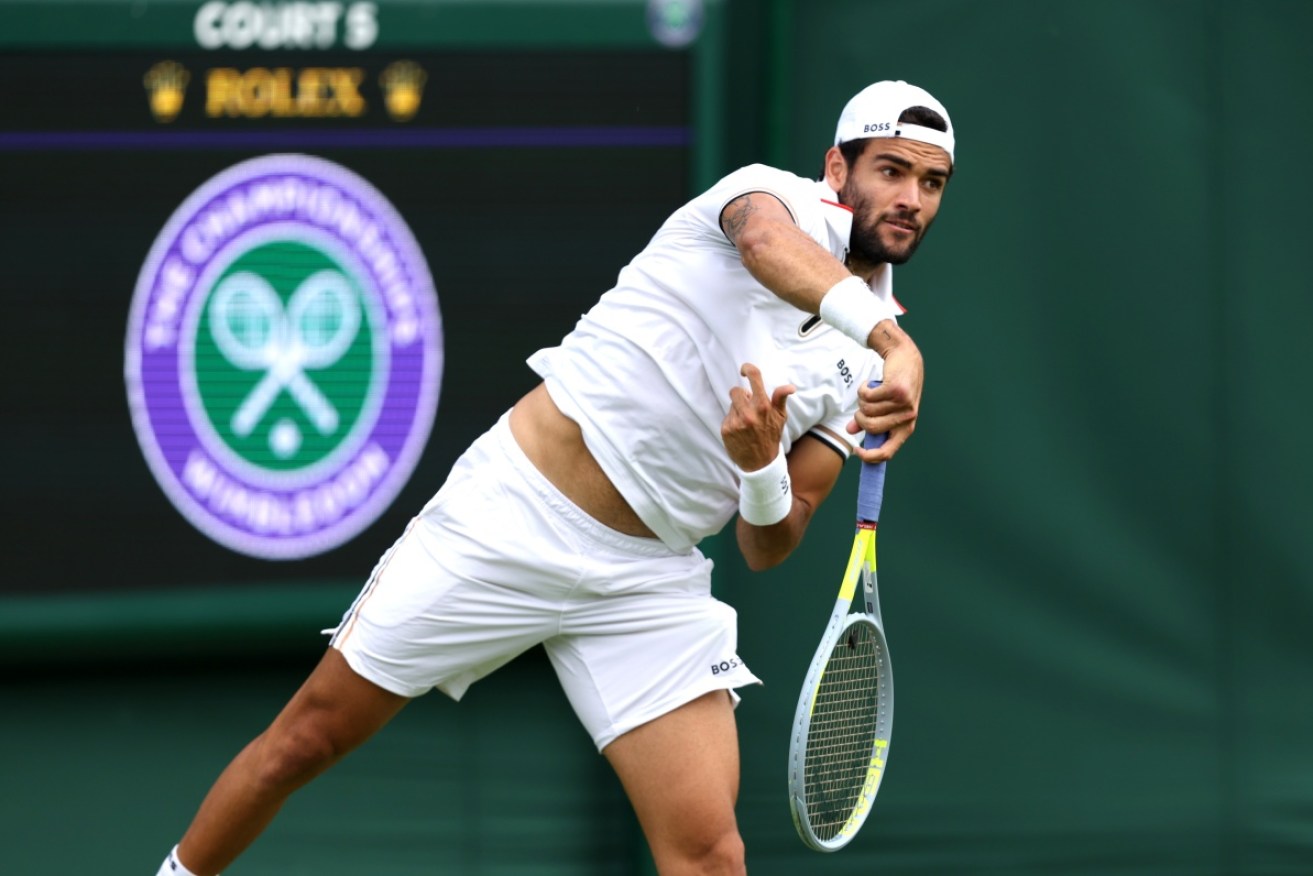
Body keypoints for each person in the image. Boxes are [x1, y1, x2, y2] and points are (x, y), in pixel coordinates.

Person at [155, 78, 956, 876]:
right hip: (511, 512)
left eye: (930, 183)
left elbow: (769, 542)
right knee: (304, 741)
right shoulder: (759, 199)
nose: (910, 198)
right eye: (890, 170)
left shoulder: (865, 371)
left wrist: (757, 472)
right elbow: (766, 251)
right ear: (835, 167)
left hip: (647, 583)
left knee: (710, 857)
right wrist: (894, 340)